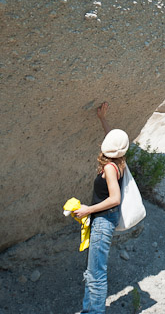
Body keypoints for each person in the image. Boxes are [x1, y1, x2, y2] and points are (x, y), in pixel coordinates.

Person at [73, 102, 128, 314]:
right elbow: (115, 142)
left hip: (103, 222)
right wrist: (102, 119)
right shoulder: (120, 160)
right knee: (93, 271)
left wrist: (88, 209)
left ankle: (94, 312)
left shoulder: (109, 167)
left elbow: (115, 198)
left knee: (96, 274)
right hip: (107, 219)